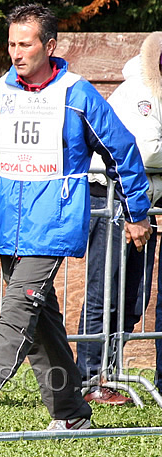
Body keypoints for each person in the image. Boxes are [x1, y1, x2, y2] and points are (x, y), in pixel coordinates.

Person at [0, 3, 151, 430]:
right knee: (42, 327)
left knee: (17, 308)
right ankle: (72, 415)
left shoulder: (77, 94)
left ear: (49, 45)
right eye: (11, 44)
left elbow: (122, 151)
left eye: (25, 44)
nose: (16, 53)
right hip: (7, 222)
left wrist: (137, 212)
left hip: (53, 222)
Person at [77, 31, 162, 404]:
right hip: (113, 202)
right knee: (104, 292)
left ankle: (107, 373)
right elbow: (144, 152)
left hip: (137, 206)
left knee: (132, 296)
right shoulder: (142, 93)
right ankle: (88, 378)